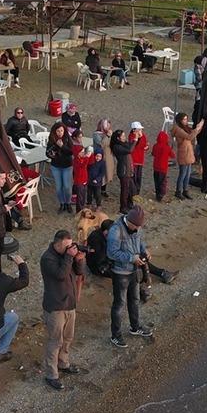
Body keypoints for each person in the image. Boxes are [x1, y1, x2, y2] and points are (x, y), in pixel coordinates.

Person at [39, 230, 87, 390]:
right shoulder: (47, 258)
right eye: (67, 246)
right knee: (55, 341)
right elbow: (61, 275)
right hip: (55, 307)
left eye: (71, 246)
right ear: (57, 244)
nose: (70, 249)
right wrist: (69, 257)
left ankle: (63, 363)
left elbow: (79, 272)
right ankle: (51, 375)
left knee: (67, 338)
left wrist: (79, 260)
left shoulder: (67, 256)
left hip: (69, 304)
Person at [106, 207, 155, 346]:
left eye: (140, 226)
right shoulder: (116, 231)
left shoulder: (137, 227)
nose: (138, 228)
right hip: (120, 273)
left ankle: (135, 327)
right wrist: (131, 258)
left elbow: (139, 241)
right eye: (137, 226)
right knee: (119, 304)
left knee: (135, 299)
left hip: (134, 271)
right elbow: (111, 253)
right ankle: (115, 335)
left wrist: (144, 250)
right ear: (130, 221)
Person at [171, 112, 203, 200]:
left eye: (186, 119)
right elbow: (189, 137)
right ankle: (178, 191)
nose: (186, 121)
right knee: (183, 174)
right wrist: (197, 129)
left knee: (187, 174)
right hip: (183, 153)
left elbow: (192, 133)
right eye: (184, 119)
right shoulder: (179, 129)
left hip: (188, 152)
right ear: (180, 120)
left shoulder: (184, 128)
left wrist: (199, 128)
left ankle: (185, 190)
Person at [46, 122, 74, 213]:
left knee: (67, 187)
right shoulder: (52, 139)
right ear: (55, 131)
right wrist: (52, 153)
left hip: (67, 166)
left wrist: (62, 146)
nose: (60, 133)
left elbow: (71, 152)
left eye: (61, 131)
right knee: (59, 187)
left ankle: (68, 203)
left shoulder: (68, 139)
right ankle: (62, 204)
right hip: (56, 166)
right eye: (58, 131)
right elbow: (47, 153)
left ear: (64, 131)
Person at [111, 129, 135, 212]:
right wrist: (135, 140)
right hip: (123, 171)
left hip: (128, 170)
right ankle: (123, 207)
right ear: (118, 138)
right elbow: (129, 150)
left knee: (130, 189)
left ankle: (130, 204)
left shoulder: (123, 144)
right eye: (123, 136)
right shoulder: (117, 147)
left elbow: (130, 146)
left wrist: (136, 138)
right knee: (125, 190)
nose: (125, 137)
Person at [151, 130, 174, 202]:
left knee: (157, 181)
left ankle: (158, 195)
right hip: (163, 168)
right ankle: (162, 195)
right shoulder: (166, 147)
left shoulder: (155, 146)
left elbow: (153, 153)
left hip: (156, 167)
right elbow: (173, 155)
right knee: (163, 182)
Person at [94, 119, 115, 195]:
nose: (108, 127)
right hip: (100, 156)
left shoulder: (108, 133)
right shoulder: (96, 134)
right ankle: (97, 191)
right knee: (100, 173)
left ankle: (103, 190)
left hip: (108, 156)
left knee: (107, 173)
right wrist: (108, 136)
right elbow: (102, 144)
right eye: (106, 125)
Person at [72, 143, 94, 210]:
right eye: (81, 152)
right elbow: (82, 166)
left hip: (84, 179)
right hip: (79, 181)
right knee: (80, 197)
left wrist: (91, 153)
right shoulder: (75, 160)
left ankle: (82, 208)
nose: (83, 153)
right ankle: (79, 211)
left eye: (83, 151)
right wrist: (87, 157)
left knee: (83, 196)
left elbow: (91, 162)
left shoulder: (83, 158)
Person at [128, 122, 148, 195]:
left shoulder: (143, 136)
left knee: (139, 176)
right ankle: (133, 191)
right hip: (134, 160)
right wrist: (138, 138)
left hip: (140, 159)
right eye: (139, 129)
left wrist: (146, 147)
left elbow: (144, 144)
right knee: (134, 176)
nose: (140, 131)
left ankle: (137, 191)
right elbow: (134, 146)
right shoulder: (131, 136)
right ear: (134, 130)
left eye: (140, 129)